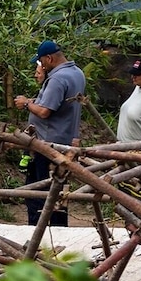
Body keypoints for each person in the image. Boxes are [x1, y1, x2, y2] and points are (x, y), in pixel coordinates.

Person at [12, 39, 84, 226]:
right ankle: (60, 230)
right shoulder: (77, 73)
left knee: (39, 193)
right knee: (58, 192)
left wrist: (27, 103)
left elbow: (45, 111)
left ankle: (36, 234)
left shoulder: (57, 79)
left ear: (49, 58)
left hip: (48, 145)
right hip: (64, 142)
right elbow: (56, 103)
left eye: (41, 61)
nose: (41, 66)